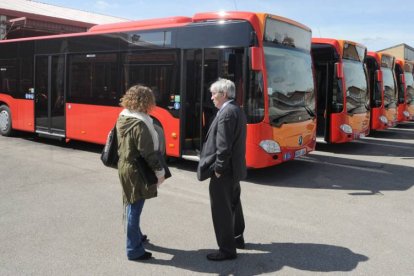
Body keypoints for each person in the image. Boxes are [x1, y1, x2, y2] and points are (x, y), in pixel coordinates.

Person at [197, 78, 247, 261]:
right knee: (234, 203)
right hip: (235, 170)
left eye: (214, 94)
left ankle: (226, 250)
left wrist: (218, 169)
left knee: (221, 210)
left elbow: (223, 146)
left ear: (224, 94)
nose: (211, 97)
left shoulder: (226, 113)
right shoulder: (236, 109)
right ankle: (237, 238)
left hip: (224, 171)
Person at [116, 85, 165, 261]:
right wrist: (160, 172)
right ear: (146, 101)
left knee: (130, 203)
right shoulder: (140, 123)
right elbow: (148, 153)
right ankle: (133, 249)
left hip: (125, 165)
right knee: (134, 207)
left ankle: (136, 236)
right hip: (137, 170)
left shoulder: (123, 117)